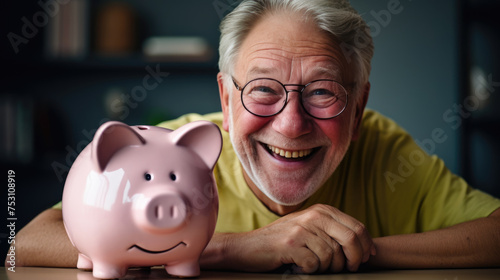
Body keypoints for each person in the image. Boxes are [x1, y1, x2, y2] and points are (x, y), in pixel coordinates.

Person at [9, 0, 500, 274]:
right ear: (225, 99)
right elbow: (25, 242)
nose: (290, 124)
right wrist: (238, 247)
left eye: (323, 93)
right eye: (263, 90)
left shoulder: (384, 149)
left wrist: (351, 249)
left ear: (360, 106)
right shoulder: (171, 149)